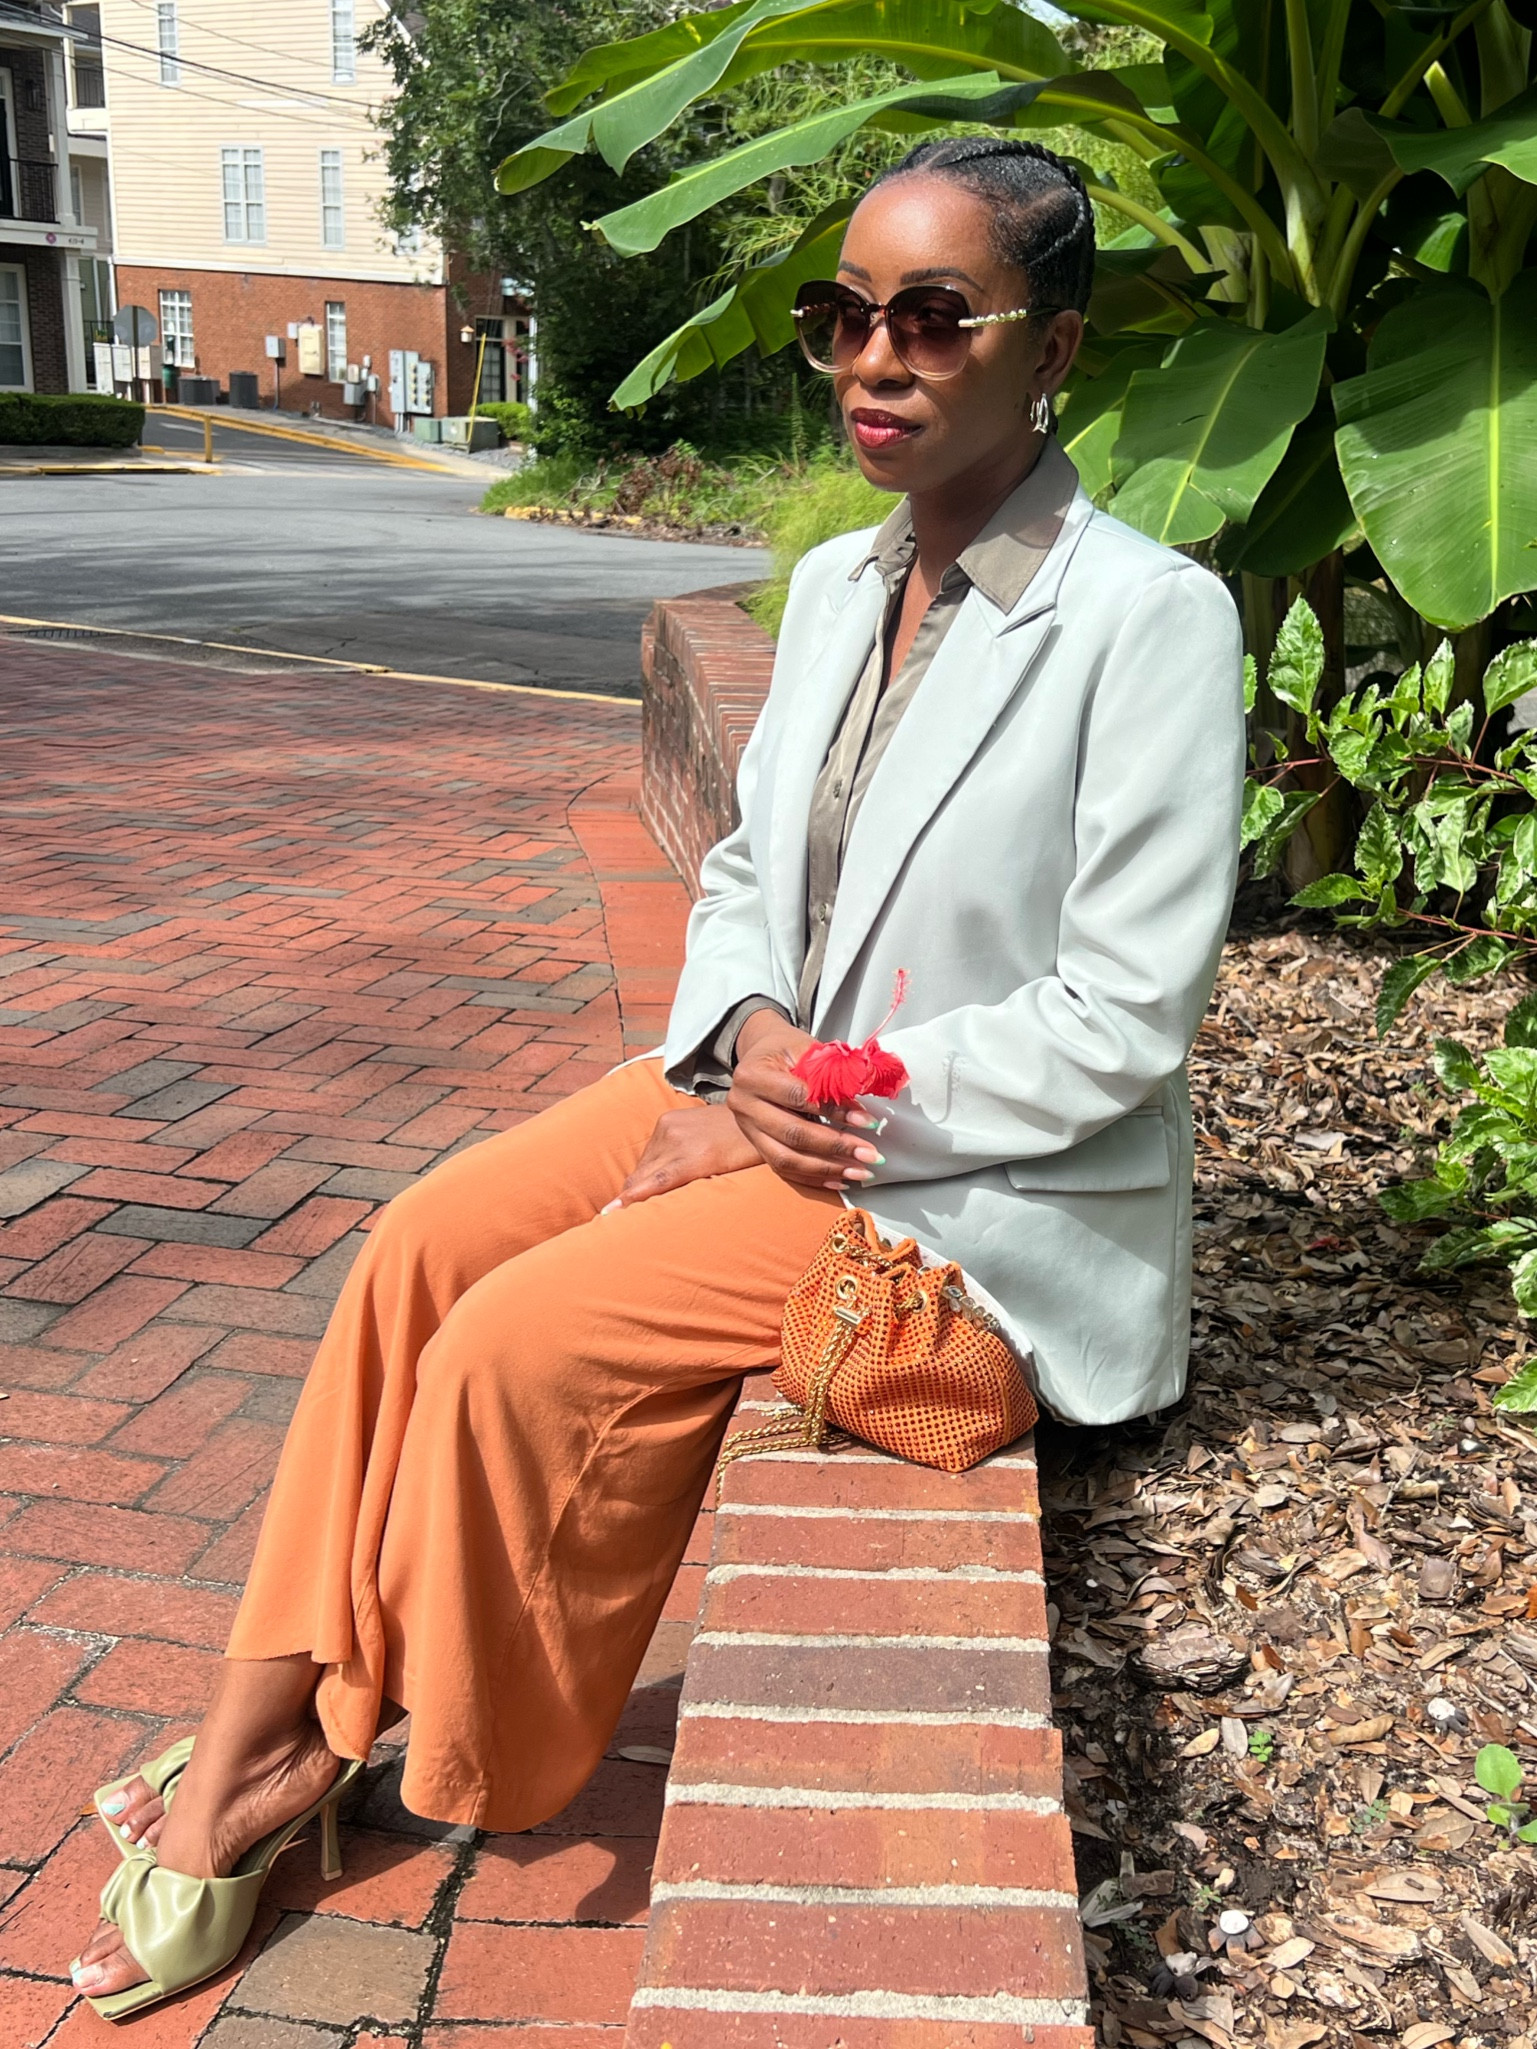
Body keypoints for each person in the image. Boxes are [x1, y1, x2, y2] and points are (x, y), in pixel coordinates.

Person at [68, 136, 1244, 2016]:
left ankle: (317, 1765)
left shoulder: (1147, 619)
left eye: (935, 316)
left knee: (513, 1348)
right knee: (415, 1246)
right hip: (781, 1090)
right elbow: (742, 873)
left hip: (971, 1178)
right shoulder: (840, 585)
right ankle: (260, 1726)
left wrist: (810, 1091)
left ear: (1052, 348)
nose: (876, 357)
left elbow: (1120, 1014)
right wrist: (748, 1042)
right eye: (844, 315)